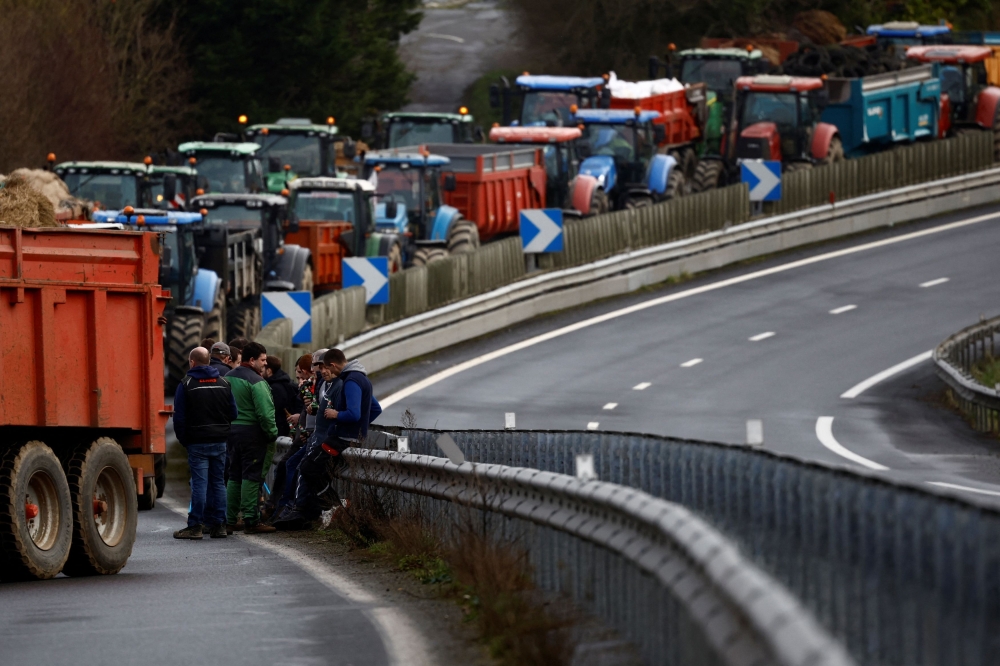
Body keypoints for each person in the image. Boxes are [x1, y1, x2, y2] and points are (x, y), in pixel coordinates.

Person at [274, 350, 380, 529]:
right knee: (309, 467)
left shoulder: (350, 381)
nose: (321, 372)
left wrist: (337, 414)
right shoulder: (358, 378)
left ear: (333, 365)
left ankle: (333, 505)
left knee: (308, 467)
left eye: (323, 367)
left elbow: (354, 413)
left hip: (340, 437)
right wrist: (360, 428)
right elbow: (374, 409)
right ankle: (321, 509)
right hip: (341, 435)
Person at [172, 347, 237, 540]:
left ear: (192, 362)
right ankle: (219, 525)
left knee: (200, 484)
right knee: (218, 483)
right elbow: (233, 413)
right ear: (208, 361)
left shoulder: (186, 384)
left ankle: (195, 526)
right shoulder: (224, 383)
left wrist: (184, 440)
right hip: (219, 441)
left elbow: (179, 418)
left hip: (197, 442)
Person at [224, 341, 279, 534]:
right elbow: (265, 413)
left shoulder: (227, 377)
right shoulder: (257, 382)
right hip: (252, 434)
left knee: (234, 475)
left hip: (231, 432)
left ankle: (230, 519)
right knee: (251, 475)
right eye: (263, 360)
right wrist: (272, 433)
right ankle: (251, 519)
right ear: (252, 360)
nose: (265, 364)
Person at [263, 356, 300, 439]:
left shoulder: (275, 388)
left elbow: (272, 411)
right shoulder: (284, 382)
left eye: (262, 369)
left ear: (269, 371)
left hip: (280, 431)